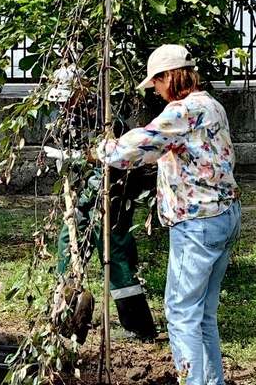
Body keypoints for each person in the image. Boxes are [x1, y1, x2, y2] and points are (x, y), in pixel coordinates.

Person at [96, 44, 241, 385]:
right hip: (224, 215)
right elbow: (163, 147)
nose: (157, 92)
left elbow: (139, 145)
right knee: (203, 315)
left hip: (198, 222)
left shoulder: (183, 110)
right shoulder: (211, 105)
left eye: (157, 84)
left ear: (169, 77)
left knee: (180, 314)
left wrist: (102, 149)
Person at [44, 65, 158, 343]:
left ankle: (139, 328)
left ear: (82, 89)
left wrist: (78, 160)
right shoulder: (66, 115)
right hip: (83, 192)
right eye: (59, 99)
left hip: (113, 193)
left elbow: (113, 160)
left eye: (67, 98)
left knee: (116, 255)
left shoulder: (105, 119)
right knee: (68, 246)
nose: (63, 104)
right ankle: (67, 315)